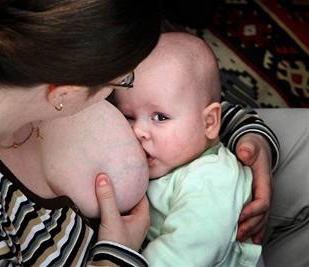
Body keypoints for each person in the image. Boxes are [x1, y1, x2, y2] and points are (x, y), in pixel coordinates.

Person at [0, 0, 283, 266]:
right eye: (122, 81)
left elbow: (179, 85)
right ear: (65, 93)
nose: (136, 131)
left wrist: (239, 135)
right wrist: (118, 258)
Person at [113, 32, 264, 266]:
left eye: (160, 117)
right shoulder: (171, 160)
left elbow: (183, 256)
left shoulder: (212, 178)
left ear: (209, 123)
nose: (138, 130)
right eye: (129, 116)